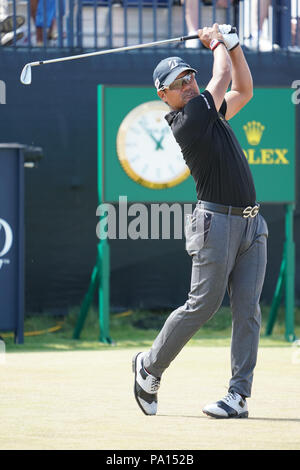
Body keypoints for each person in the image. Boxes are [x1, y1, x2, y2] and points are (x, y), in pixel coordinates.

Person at [132, 23, 268, 419]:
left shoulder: (209, 113)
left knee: (248, 311)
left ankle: (238, 396)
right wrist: (216, 42)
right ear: (165, 95)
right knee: (202, 305)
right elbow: (222, 76)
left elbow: (243, 89)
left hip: (251, 225)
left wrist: (234, 44)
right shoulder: (188, 120)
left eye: (190, 76)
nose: (189, 84)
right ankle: (149, 367)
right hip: (215, 224)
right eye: (180, 82)